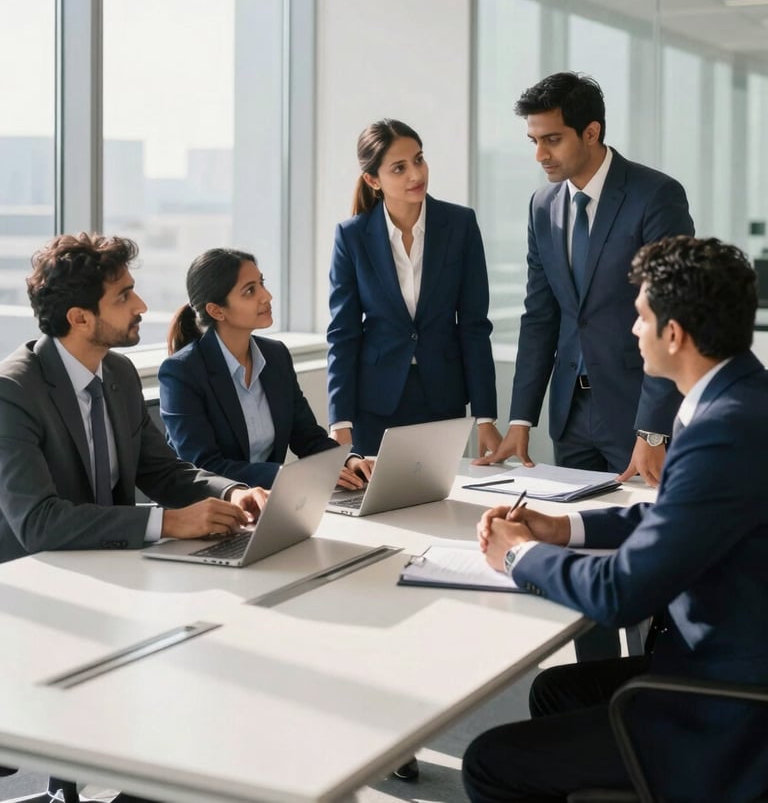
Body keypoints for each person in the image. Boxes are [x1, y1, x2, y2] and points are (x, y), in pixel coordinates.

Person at [463, 236, 768, 803]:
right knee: (557, 690)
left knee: (488, 761)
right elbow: (672, 519)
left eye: (641, 316)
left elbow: (621, 593)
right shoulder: (742, 396)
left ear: (674, 334)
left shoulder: (725, 428)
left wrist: (516, 555)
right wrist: (561, 529)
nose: (632, 330)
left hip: (724, 712)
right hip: (720, 660)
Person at [0, 233, 271, 803]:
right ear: (79, 317)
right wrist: (169, 524)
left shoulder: (119, 374)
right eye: (125, 296)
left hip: (109, 585)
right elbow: (40, 524)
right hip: (32, 604)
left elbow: (166, 471)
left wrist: (236, 491)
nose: (143, 305)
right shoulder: (13, 392)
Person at [475, 72, 694, 485]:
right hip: (570, 416)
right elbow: (540, 315)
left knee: (640, 539)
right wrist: (521, 418)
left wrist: (653, 428)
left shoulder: (656, 196)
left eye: (552, 139)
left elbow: (674, 314)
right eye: (534, 141)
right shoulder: (542, 206)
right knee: (577, 535)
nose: (540, 155)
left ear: (591, 132)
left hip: (639, 418)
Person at [327, 118, 502, 466]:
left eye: (419, 159)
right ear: (373, 180)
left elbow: (474, 325)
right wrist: (340, 422)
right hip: (375, 403)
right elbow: (343, 333)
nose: (416, 174)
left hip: (444, 399)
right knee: (378, 511)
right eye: (399, 168)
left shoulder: (460, 225)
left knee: (443, 502)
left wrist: (486, 417)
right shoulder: (352, 236)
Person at [159, 248, 361, 490]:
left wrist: (347, 461)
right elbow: (205, 466)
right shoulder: (181, 372)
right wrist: (290, 475)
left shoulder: (276, 356)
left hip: (270, 503)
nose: (267, 296)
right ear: (216, 310)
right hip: (210, 509)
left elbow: (307, 437)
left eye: (261, 283)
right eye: (250, 291)